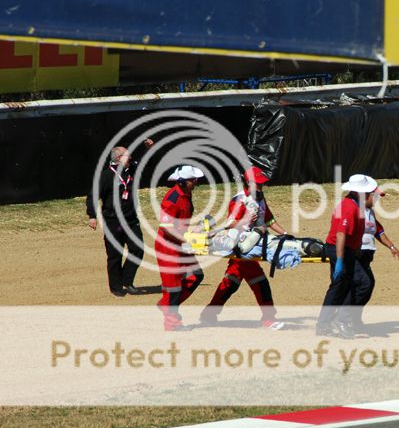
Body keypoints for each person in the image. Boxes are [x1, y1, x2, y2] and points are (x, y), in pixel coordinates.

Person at [200, 167, 290, 330]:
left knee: (231, 281)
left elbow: (269, 221)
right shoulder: (239, 200)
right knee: (259, 281)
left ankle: (208, 314)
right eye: (259, 184)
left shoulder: (260, 198)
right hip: (241, 247)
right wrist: (246, 220)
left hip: (254, 244)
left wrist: (285, 233)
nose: (262, 187)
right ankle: (268, 319)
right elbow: (229, 224)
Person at [316, 174, 381, 339]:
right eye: (367, 192)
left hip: (347, 250)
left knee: (340, 287)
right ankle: (341, 319)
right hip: (339, 249)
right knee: (362, 283)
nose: (370, 195)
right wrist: (339, 260)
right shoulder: (348, 207)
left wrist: (356, 249)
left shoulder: (356, 206)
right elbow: (340, 235)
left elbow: (356, 233)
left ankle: (325, 325)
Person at [86, 139, 153, 297]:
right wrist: (92, 216)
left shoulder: (130, 171)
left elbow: (143, 163)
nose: (130, 158)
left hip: (130, 219)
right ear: (118, 159)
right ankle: (116, 287)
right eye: (127, 156)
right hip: (113, 221)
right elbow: (93, 196)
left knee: (137, 249)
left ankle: (127, 281)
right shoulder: (106, 176)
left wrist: (148, 149)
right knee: (115, 254)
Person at [155, 165, 205, 331]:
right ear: (183, 182)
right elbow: (165, 226)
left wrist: (192, 231)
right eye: (193, 180)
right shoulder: (172, 198)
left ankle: (166, 305)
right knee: (174, 287)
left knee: (196, 275)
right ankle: (171, 323)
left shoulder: (186, 194)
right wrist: (186, 239)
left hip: (181, 243)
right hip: (168, 247)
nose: (196, 182)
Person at [343, 204, 399, 331]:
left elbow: (378, 230)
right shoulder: (353, 210)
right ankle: (343, 318)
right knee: (364, 284)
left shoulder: (370, 212)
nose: (375, 199)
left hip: (366, 255)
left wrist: (392, 247)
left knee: (365, 285)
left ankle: (353, 319)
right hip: (355, 254)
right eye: (372, 195)